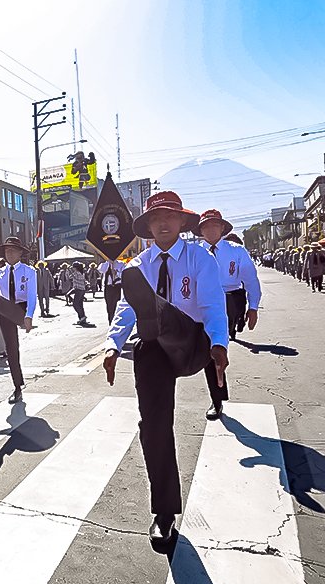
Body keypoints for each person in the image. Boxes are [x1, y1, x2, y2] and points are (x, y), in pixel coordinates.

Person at [101, 191, 228, 548]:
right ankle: (165, 512)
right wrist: (112, 345)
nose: (162, 223)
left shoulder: (199, 258)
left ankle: (155, 312)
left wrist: (219, 343)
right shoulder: (139, 264)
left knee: (160, 313)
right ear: (148, 226)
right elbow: (126, 309)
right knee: (153, 426)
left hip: (190, 342)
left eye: (169, 216)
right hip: (154, 349)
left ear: (182, 221)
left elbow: (213, 303)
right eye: (156, 218)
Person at [194, 209, 262, 420]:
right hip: (205, 302)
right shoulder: (195, 252)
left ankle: (222, 349)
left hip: (231, 300)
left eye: (214, 225)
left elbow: (251, 280)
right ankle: (217, 399)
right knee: (210, 350)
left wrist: (253, 307)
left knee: (219, 344)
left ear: (222, 228)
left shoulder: (237, 251)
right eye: (205, 226)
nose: (210, 230)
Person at [0, 236, 37, 404]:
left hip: (21, 307)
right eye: (6, 251)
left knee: (7, 305)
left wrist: (29, 316)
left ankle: (9, 310)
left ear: (19, 253)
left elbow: (32, 296)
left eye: (12, 250)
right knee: (11, 349)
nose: (9, 254)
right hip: (5, 309)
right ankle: (17, 386)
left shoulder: (29, 271)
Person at [98, 255, 126, 324]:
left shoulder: (121, 264)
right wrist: (108, 262)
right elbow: (100, 270)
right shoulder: (105, 264)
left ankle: (116, 321)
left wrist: (117, 273)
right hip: (108, 287)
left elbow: (124, 274)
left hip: (117, 287)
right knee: (109, 305)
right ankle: (111, 321)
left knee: (116, 305)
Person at [69, 261, 90, 326]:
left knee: (75, 305)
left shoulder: (77, 273)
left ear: (75, 268)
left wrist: (70, 271)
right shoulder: (81, 273)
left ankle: (82, 317)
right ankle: (82, 319)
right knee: (80, 305)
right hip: (81, 290)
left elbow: (70, 277)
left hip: (78, 290)